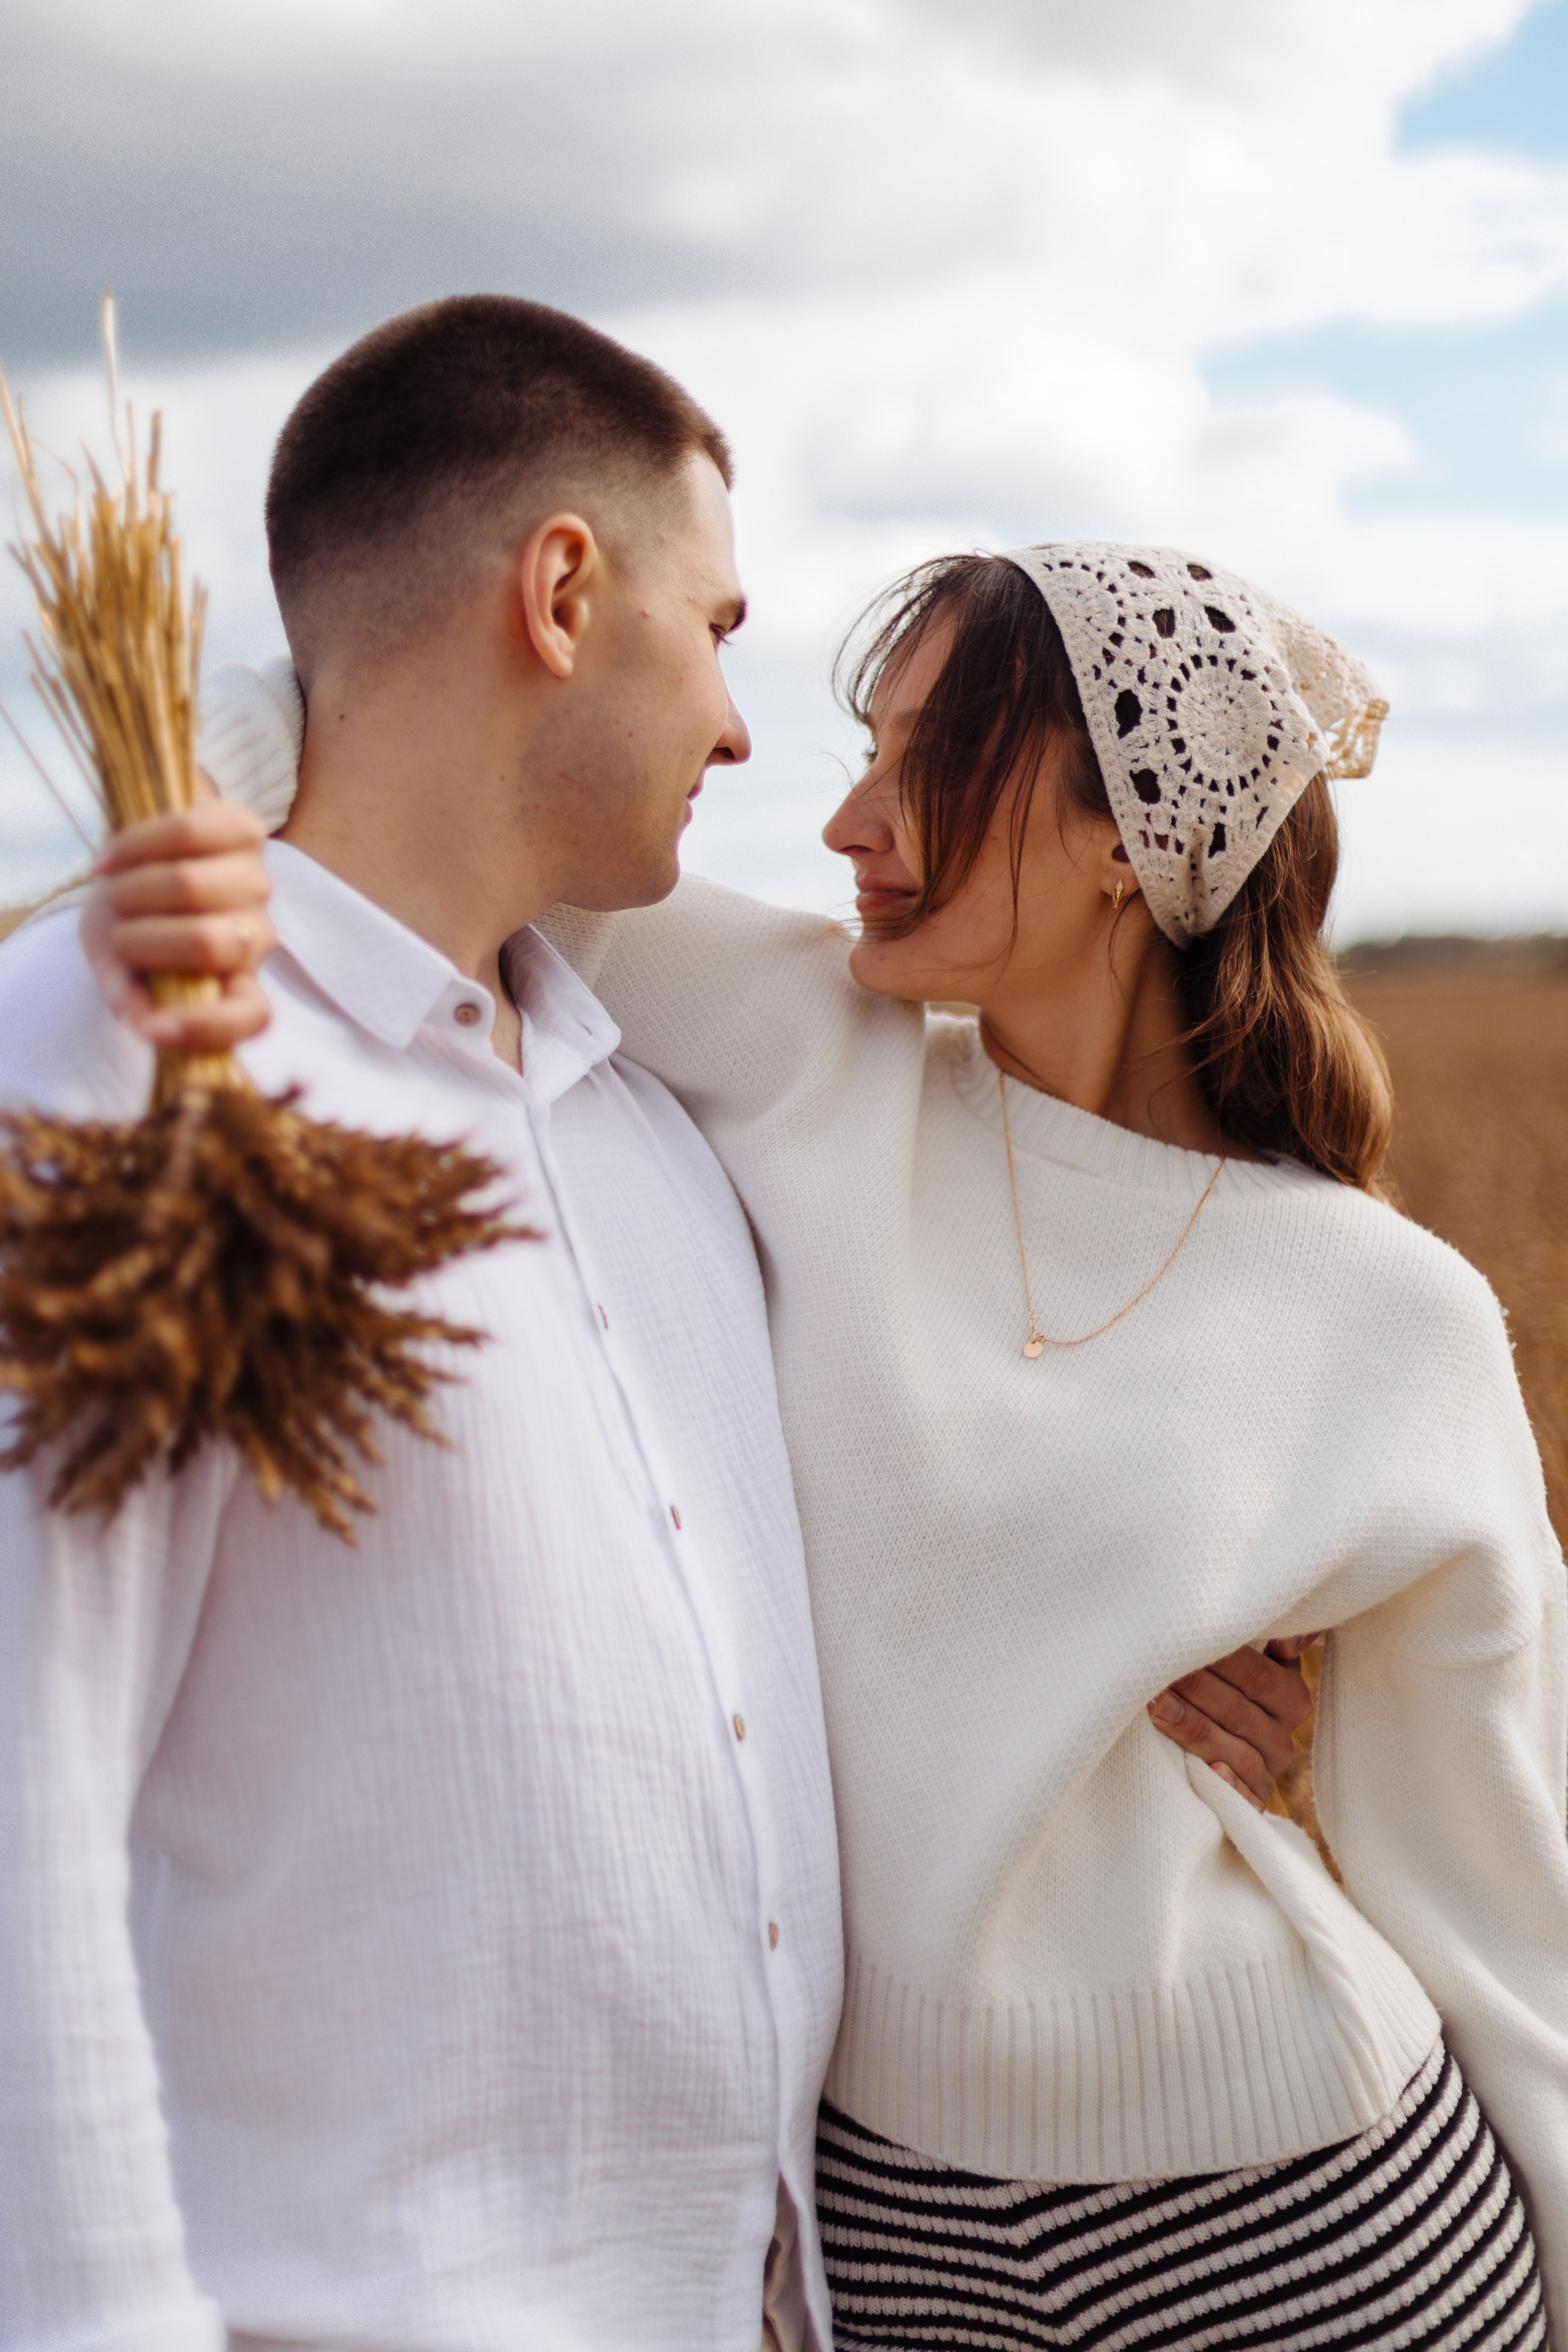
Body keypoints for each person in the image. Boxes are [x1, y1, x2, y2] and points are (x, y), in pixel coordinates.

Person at [0, 303, 1302, 2352]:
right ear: (563, 589)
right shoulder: (142, 1056)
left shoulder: (663, 1120)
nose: (740, 729)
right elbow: (22, 1801)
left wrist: (1168, 1640)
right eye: (717, 628)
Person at [116, 532, 1568, 2349]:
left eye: (924, 763)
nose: (848, 824)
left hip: (1293, 2206)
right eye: (861, 759)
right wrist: (195, 753)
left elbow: (1512, 1894)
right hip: (885, 2225)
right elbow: (446, 787)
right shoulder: (818, 1057)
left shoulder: (1390, 1314)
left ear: (1128, 828)